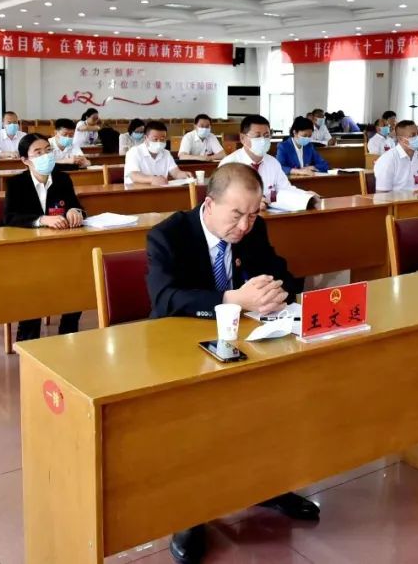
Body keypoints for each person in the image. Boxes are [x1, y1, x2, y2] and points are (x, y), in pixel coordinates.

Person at [145, 163, 316, 564]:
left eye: (253, 215)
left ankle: (268, 485)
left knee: (277, 391)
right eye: (236, 215)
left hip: (244, 336)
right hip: (179, 342)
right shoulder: (168, 234)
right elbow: (165, 299)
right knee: (196, 416)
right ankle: (189, 513)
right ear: (209, 204)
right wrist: (230, 300)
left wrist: (274, 290)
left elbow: (283, 274)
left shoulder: (254, 228)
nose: (244, 226)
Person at [4, 133, 85, 342]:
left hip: (61, 247)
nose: (45, 156)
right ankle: (28, 339)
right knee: (32, 287)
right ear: (25, 160)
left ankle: (68, 333)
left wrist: (74, 211)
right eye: (38, 152)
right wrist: (41, 219)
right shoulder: (16, 183)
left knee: (78, 279)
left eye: (48, 151)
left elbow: (77, 206)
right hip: (29, 251)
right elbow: (10, 217)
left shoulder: (62, 178)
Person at [219, 115, 291, 202]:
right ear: (242, 138)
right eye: (257, 136)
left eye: (266, 135)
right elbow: (222, 198)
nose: (263, 140)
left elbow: (286, 190)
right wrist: (253, 203)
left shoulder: (273, 162)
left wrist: (304, 197)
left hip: (269, 210)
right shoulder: (229, 164)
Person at [125, 120, 190, 186]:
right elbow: (134, 175)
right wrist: (152, 179)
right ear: (145, 138)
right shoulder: (134, 152)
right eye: (155, 139)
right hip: (137, 190)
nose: (159, 142)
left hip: (160, 189)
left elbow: (175, 172)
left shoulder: (166, 153)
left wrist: (183, 174)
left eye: (162, 139)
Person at [374, 120, 418, 192]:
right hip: (396, 199)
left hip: (417, 198)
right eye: (413, 135)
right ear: (401, 139)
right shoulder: (388, 159)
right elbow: (382, 194)